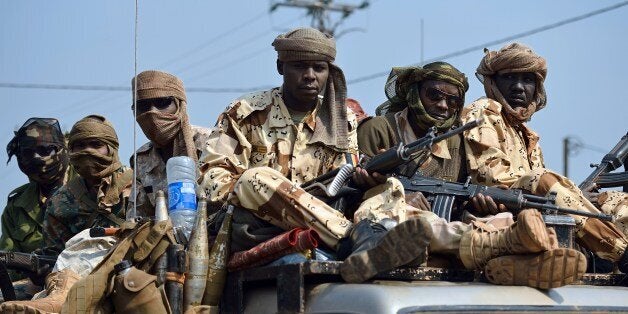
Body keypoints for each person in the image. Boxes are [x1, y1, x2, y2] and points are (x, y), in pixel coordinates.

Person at [199, 27, 431, 279]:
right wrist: (284, 197)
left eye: (319, 68)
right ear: (280, 67)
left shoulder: (342, 120)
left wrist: (365, 178)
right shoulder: (246, 112)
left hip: (323, 218)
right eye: (300, 67)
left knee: (390, 186)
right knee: (255, 178)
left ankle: (395, 243)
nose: (310, 76)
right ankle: (356, 241)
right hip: (258, 224)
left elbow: (343, 178)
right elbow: (211, 183)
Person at [352, 62, 585, 288]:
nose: (443, 105)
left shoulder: (457, 140)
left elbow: (461, 197)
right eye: (434, 95)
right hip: (386, 223)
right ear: (415, 94)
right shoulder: (380, 129)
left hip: (442, 227)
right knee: (413, 222)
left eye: (453, 101)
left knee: (496, 222)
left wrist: (479, 206)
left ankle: (522, 261)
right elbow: (358, 189)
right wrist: (399, 198)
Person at [460, 42, 628, 273]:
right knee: (543, 179)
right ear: (493, 82)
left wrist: (576, 195)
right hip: (500, 205)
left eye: (528, 80)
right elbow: (492, 176)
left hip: (532, 206)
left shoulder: (526, 133)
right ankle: (620, 252)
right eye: (510, 78)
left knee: (615, 201)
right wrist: (558, 190)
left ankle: (608, 256)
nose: (519, 88)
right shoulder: (484, 112)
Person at [128, 70, 212, 217]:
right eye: (143, 106)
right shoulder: (141, 159)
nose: (152, 112)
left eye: (162, 103)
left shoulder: (212, 142)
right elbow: (138, 217)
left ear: (180, 105)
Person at [43, 115, 133, 252]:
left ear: (111, 148)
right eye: (80, 146)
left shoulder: (138, 184)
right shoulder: (60, 201)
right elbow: (54, 256)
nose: (88, 151)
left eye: (96, 145)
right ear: (71, 151)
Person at [1, 118, 72, 256]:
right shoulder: (15, 208)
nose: (37, 158)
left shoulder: (89, 185)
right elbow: (8, 260)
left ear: (60, 149)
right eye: (28, 153)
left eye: (45, 150)